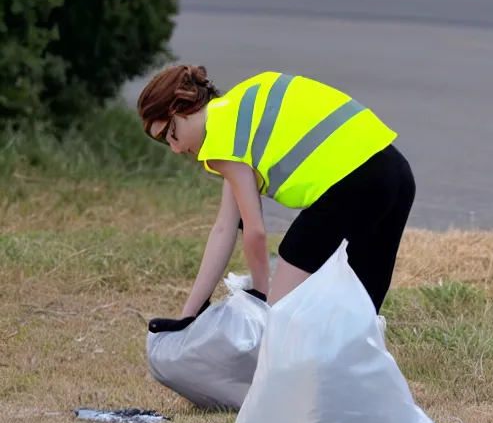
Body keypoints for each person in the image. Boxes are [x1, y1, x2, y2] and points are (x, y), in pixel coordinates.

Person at [138, 64, 416, 330]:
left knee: (276, 327)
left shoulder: (222, 143)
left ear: (182, 106)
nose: (174, 148)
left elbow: (255, 232)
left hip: (356, 182)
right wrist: (189, 317)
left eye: (169, 134)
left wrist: (261, 297)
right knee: (358, 319)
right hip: (396, 171)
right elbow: (224, 228)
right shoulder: (234, 117)